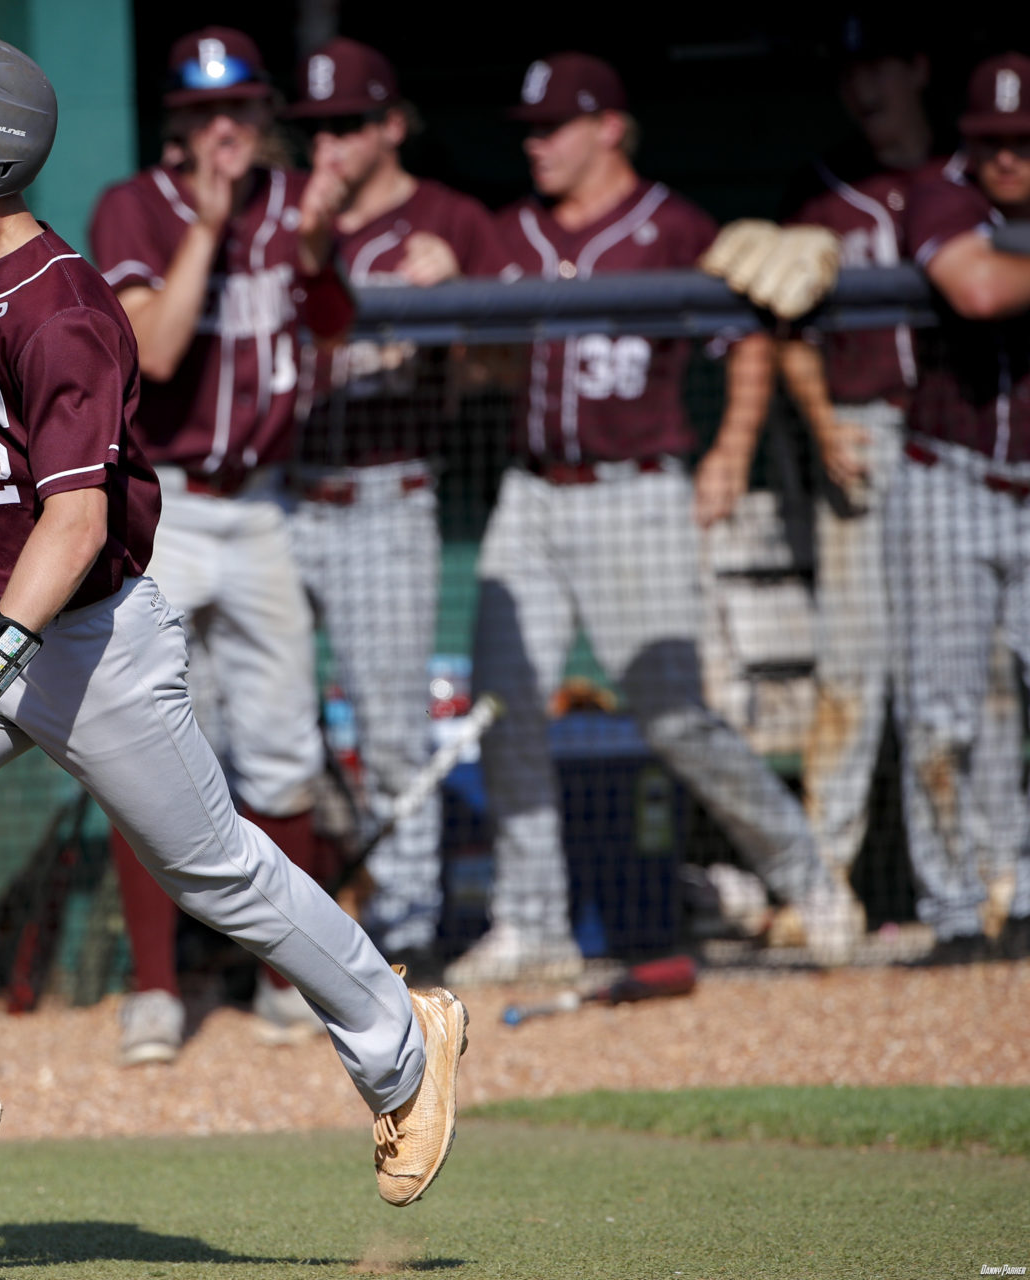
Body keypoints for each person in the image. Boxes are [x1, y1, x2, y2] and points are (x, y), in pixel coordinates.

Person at [0, 28, 465, 1218]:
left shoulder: (61, 306)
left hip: (87, 644)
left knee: (218, 869)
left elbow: (76, 521)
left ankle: (403, 1040)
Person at [451, 52, 856, 985]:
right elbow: (480, 367)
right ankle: (532, 921)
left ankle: (810, 881)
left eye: (553, 128)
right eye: (528, 131)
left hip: (634, 490)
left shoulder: (672, 225)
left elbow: (744, 338)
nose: (536, 146)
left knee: (674, 719)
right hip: (531, 490)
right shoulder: (512, 231)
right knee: (505, 706)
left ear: (608, 127)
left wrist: (731, 450)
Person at [85, 26, 356, 1062]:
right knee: (147, 744)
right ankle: (156, 988)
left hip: (265, 503)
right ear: (176, 120)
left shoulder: (293, 205)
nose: (222, 130)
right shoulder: (136, 205)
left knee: (283, 744)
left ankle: (286, 977)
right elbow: (153, 351)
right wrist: (206, 222)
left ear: (263, 113)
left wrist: (319, 247)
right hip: (169, 501)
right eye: (202, 113)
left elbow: (332, 325)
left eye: (236, 109)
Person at [772, 24, 1025, 936]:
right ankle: (843, 887)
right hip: (900, 448)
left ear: (917, 66)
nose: (863, 88)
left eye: (878, 64)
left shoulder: (969, 175)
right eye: (849, 73)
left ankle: (1005, 887)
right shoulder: (850, 190)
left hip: (990, 455)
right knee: (876, 678)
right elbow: (788, 330)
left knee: (994, 691)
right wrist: (820, 419)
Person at [284, 38, 502, 977]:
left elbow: (509, 369)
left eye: (347, 123)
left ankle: (407, 931)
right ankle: (298, 905)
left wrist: (457, 305)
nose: (327, 141)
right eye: (315, 126)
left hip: (387, 491)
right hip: (283, 494)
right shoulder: (282, 214)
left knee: (390, 730)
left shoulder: (451, 219)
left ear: (392, 126)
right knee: (246, 717)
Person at [887, 51, 1030, 963]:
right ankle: (950, 911)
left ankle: (1026, 899)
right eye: (991, 142)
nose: (1005, 159)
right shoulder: (940, 190)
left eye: (1024, 143)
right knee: (941, 714)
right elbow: (977, 287)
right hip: (949, 479)